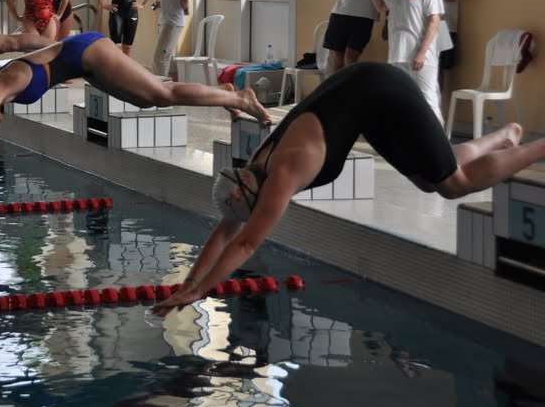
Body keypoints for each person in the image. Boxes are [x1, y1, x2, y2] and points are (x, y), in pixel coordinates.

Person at [152, 61, 545, 315]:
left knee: (455, 185)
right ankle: (503, 137)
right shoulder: (254, 166)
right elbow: (226, 229)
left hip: (383, 90)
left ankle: (537, 146)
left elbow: (244, 243)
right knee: (431, 178)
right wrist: (191, 284)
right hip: (364, 94)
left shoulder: (284, 173)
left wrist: (202, 291)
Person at [0, 32, 272, 174]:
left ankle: (240, 96)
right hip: (83, 62)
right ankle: (228, 99)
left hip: (88, 52)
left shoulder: (0, 87)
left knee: (160, 94)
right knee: (148, 102)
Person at [369, 0, 446, 122]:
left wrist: (421, 53)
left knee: (428, 102)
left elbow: (434, 19)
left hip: (420, 55)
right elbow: (381, 6)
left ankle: (438, 139)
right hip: (398, 53)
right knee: (403, 101)